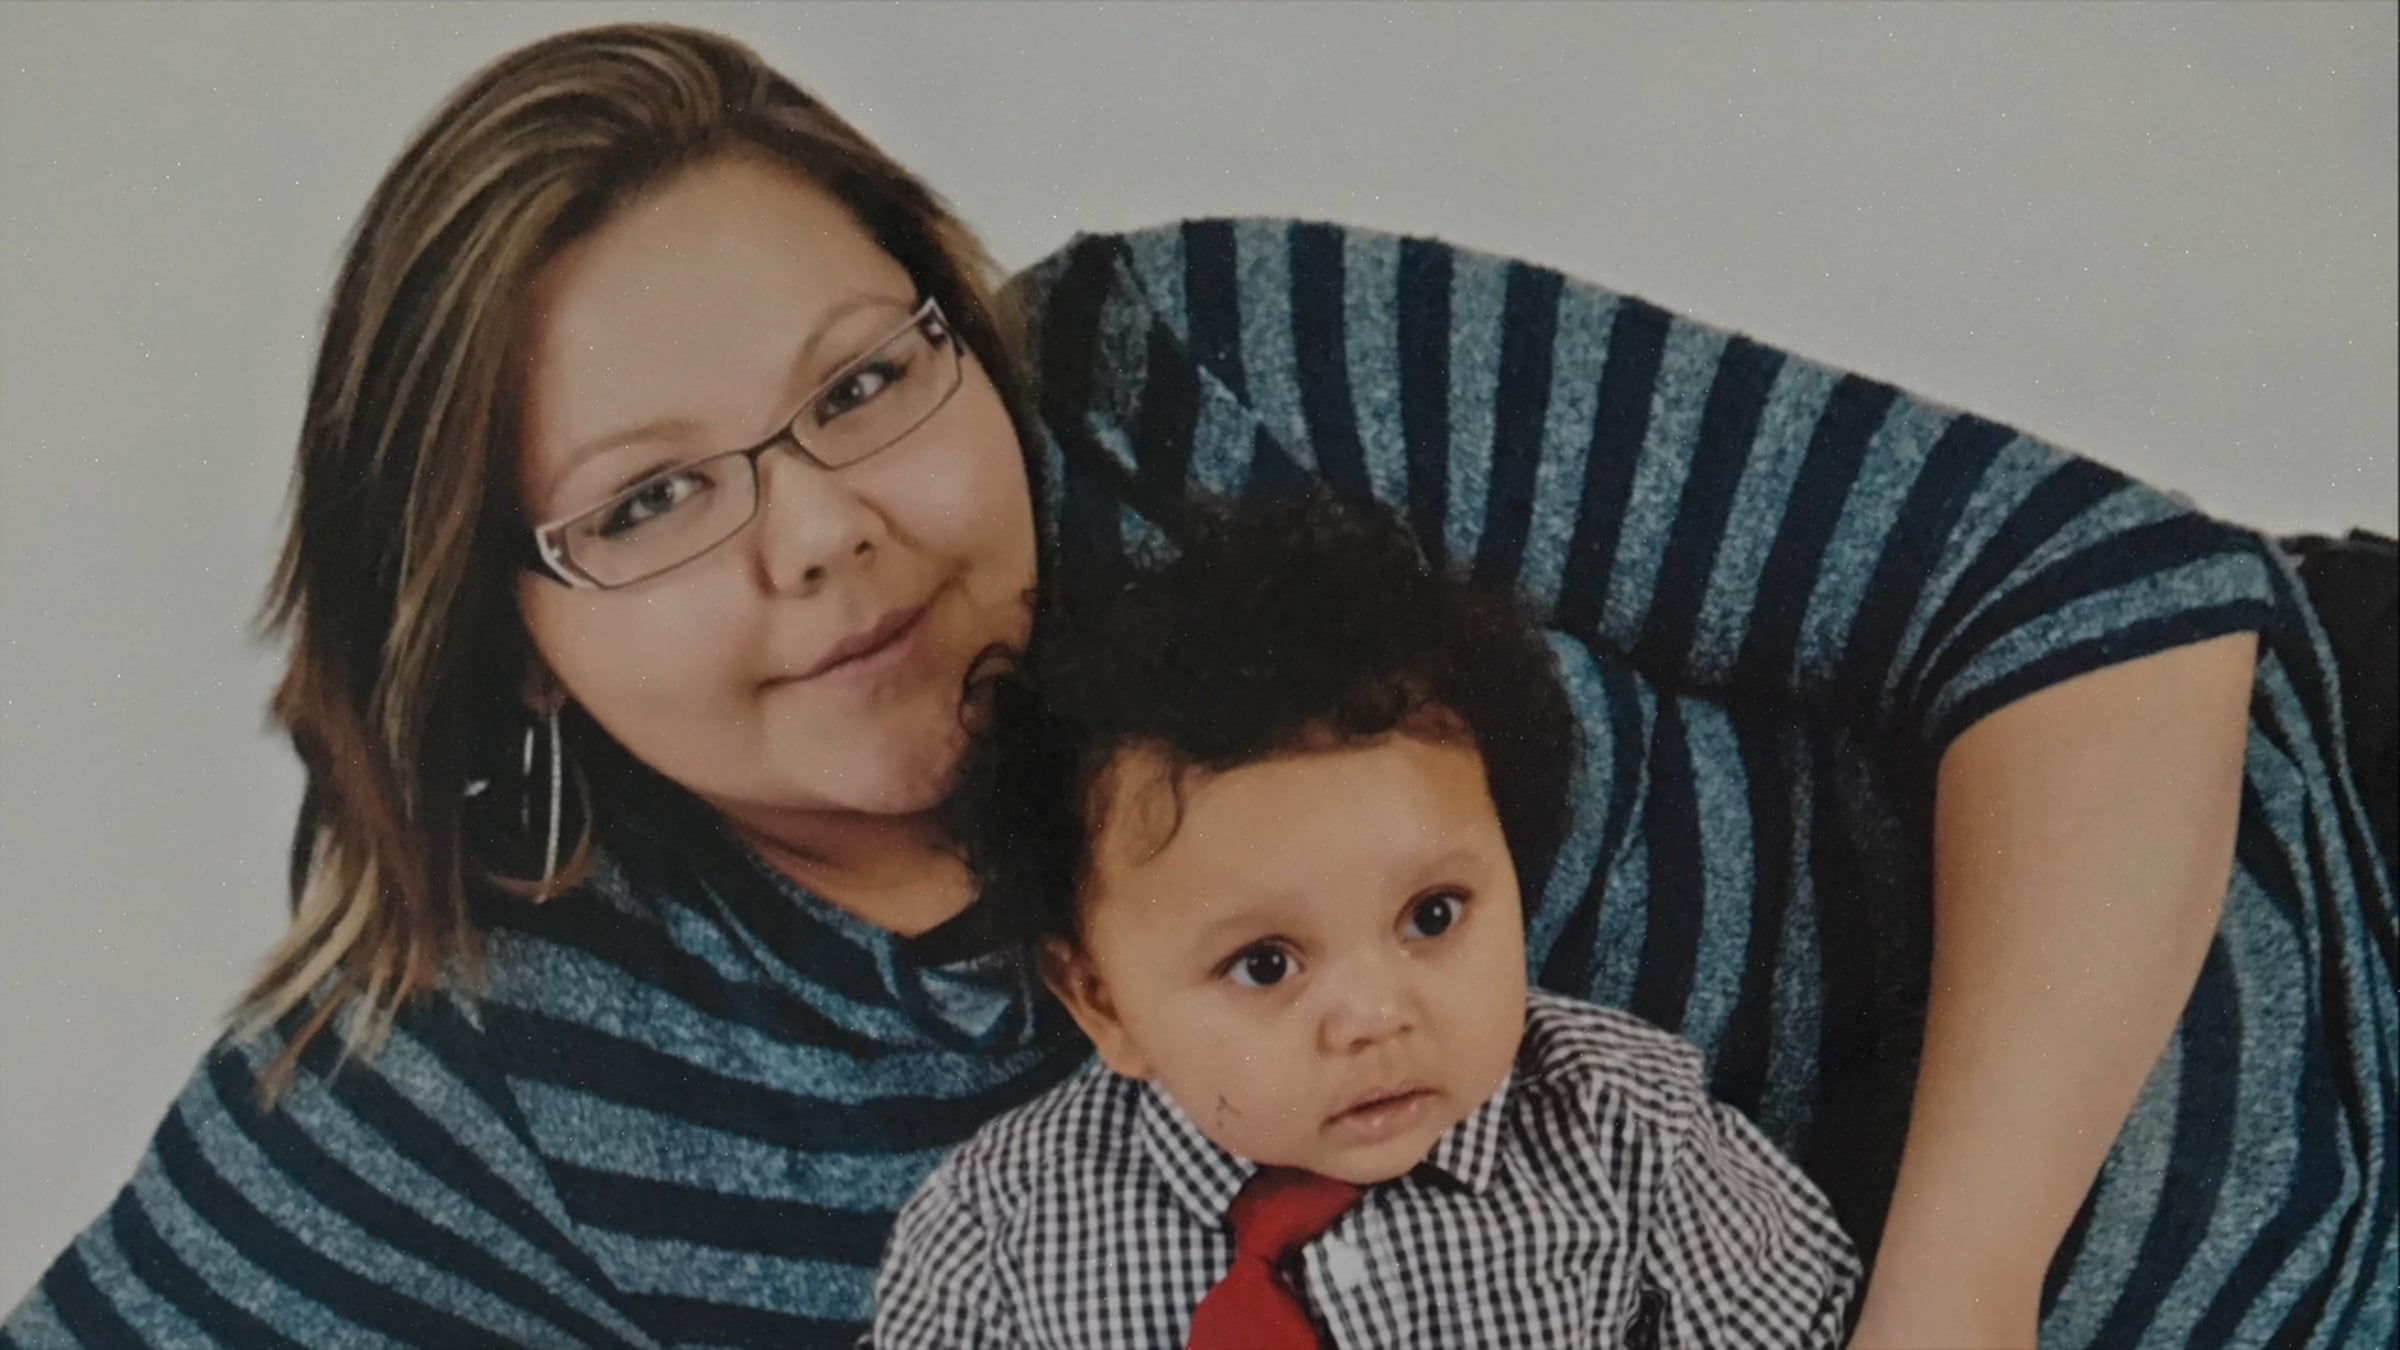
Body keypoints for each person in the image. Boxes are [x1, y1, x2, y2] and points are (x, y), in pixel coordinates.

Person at [2, 21, 2389, 1350]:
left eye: (863, 383)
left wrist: (1951, 1307)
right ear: (493, 630)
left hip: (2331, 900)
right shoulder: (492, 1051)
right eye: (646, 504)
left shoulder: (1201, 372)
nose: (816, 530)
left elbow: (2093, 594)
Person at [873, 487, 1861, 1347]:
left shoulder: (1631, 1134)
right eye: (1265, 964)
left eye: (1432, 915)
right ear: (1102, 1001)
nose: (1376, 1017)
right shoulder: (998, 1235)